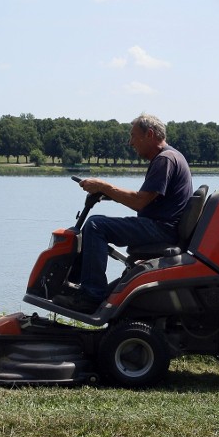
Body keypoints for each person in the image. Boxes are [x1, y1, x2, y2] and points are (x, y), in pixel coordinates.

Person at [53, 113, 193, 313]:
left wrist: (104, 185)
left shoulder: (165, 160)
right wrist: (106, 191)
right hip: (163, 226)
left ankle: (90, 296)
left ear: (149, 134)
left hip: (162, 229)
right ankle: (89, 287)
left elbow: (139, 201)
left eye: (133, 136)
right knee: (97, 223)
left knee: (95, 225)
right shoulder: (170, 157)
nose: (130, 143)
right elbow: (144, 200)